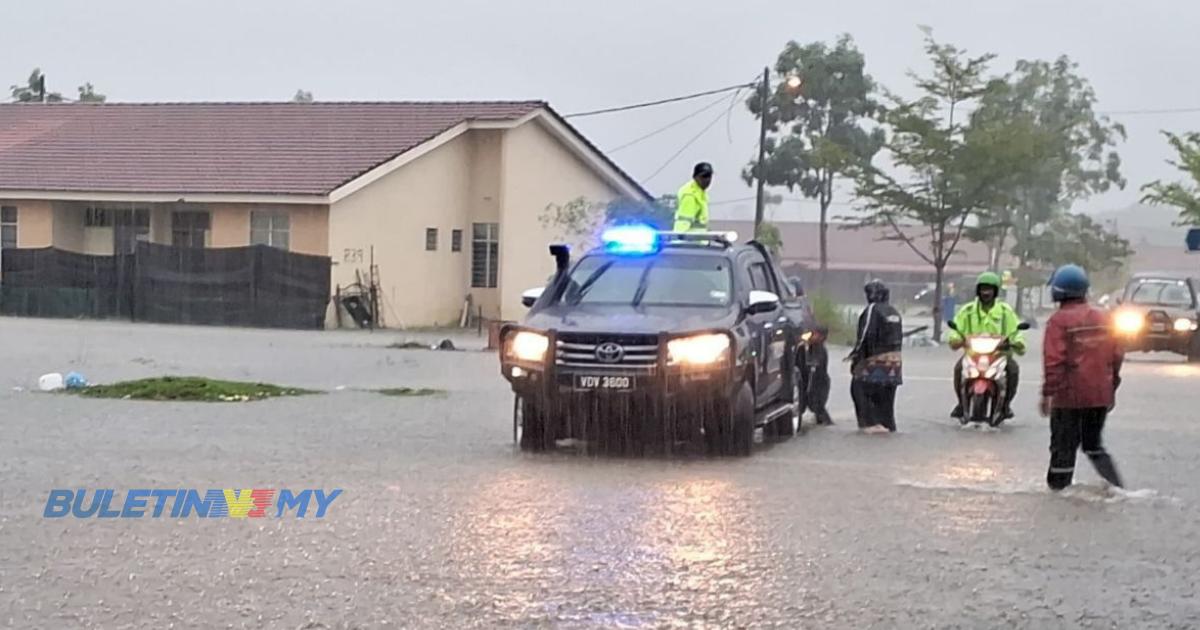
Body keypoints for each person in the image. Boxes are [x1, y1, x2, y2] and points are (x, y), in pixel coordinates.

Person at [1041, 264, 1124, 491]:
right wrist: (1111, 389)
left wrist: (1048, 394)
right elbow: (1116, 356)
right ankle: (1118, 489)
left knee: (1063, 448)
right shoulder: (1105, 318)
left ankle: (1058, 494)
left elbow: (1054, 361)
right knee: (1093, 445)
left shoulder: (1058, 321)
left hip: (1069, 396)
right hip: (1099, 395)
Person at [948, 271, 1026, 419]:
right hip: (973, 355)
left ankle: (1006, 405)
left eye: (989, 289)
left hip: (1000, 355)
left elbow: (1016, 331)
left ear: (995, 291)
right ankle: (960, 403)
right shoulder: (968, 311)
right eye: (983, 289)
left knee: (1013, 370)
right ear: (978, 291)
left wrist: (1015, 342)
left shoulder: (1005, 312)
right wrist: (957, 339)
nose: (986, 293)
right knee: (958, 369)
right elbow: (956, 329)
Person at [848, 279, 903, 433]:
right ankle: (888, 426)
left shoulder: (872, 309)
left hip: (875, 362)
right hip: (894, 365)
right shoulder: (894, 312)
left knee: (858, 389)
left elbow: (866, 335)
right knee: (887, 402)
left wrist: (856, 356)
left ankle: (868, 424)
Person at [788, 277, 833, 426]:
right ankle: (803, 408)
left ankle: (818, 408)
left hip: (812, 348)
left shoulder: (804, 306)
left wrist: (817, 334)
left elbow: (812, 324)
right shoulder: (786, 307)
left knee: (819, 377)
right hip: (797, 349)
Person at [673, 162, 712, 232]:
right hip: (690, 241)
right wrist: (679, 239)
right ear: (695, 177)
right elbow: (683, 223)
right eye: (704, 176)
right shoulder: (690, 195)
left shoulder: (701, 193)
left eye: (709, 176)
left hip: (698, 241)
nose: (707, 179)